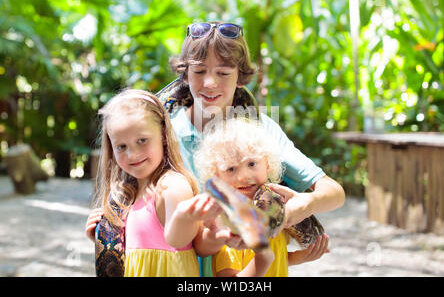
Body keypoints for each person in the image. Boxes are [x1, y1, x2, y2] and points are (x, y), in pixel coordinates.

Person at [166, 22, 345, 276]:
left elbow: (334, 192)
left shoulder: (260, 129)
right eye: (199, 71)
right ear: (185, 75)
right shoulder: (164, 134)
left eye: (224, 73)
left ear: (240, 77)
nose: (209, 82)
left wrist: (305, 204)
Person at [86, 89, 220, 277]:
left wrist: (186, 217)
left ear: (164, 135)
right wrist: (103, 237)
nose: (132, 154)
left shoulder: (172, 186)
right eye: (121, 146)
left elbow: (179, 240)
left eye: (142, 140)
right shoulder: (127, 194)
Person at [194, 118, 329, 276]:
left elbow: (277, 257)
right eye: (231, 169)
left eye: (251, 164)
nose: (244, 176)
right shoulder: (228, 222)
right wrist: (263, 258)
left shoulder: (276, 206)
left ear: (267, 165)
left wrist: (298, 257)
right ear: (216, 175)